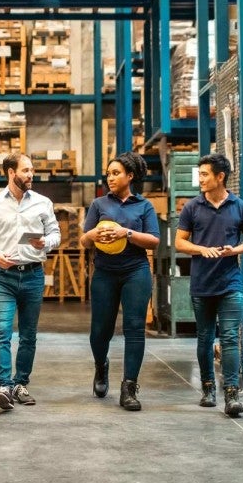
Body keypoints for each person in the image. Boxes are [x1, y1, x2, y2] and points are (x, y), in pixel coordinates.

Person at [0, 153, 61, 411]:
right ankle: (3, 386)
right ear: (11, 173)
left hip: (34, 275)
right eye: (25, 170)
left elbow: (56, 233)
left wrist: (46, 242)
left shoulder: (43, 203)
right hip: (3, 277)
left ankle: (20, 384)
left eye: (32, 170)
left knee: (28, 335)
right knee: (2, 331)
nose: (30, 175)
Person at [175, 153, 243, 418]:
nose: (200, 179)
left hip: (230, 283)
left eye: (204, 174)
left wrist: (235, 250)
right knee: (205, 338)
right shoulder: (192, 207)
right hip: (201, 284)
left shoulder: (240, 207)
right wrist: (201, 249)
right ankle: (208, 388)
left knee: (231, 337)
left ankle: (232, 392)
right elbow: (180, 243)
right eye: (199, 174)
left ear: (220, 177)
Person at [81, 152, 160, 411]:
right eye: (109, 173)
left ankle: (129, 387)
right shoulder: (99, 204)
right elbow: (84, 240)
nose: (110, 178)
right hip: (104, 272)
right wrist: (92, 233)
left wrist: (125, 232)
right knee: (100, 331)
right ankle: (101, 366)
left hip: (135, 271)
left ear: (130, 176)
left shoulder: (144, 206)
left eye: (116, 173)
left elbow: (154, 240)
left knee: (134, 328)